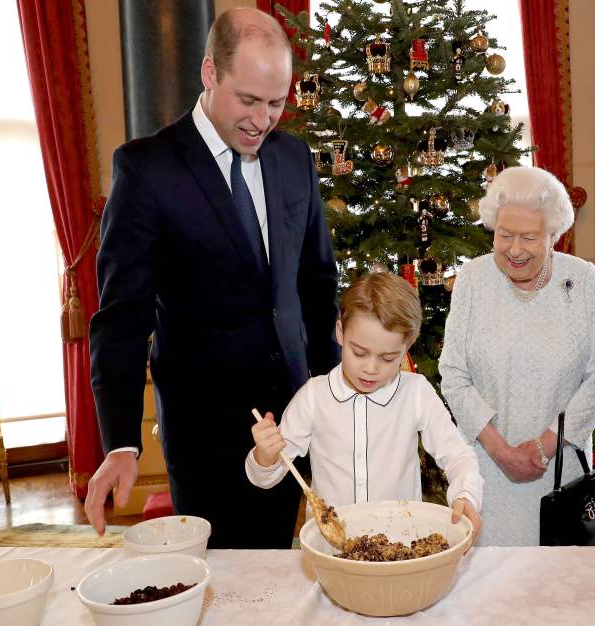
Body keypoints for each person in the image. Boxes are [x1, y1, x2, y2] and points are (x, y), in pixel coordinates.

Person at [85, 8, 340, 549]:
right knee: (222, 586)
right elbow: (121, 319)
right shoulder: (147, 170)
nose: (262, 119)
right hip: (207, 435)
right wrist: (121, 442)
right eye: (247, 100)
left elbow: (317, 284)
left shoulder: (294, 159)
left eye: (276, 103)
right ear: (209, 73)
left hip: (293, 417)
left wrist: (334, 392)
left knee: (279, 570)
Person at [438, 166, 595, 546]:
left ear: (554, 236)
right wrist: (501, 451)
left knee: (558, 588)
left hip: (559, 473)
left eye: (529, 237)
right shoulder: (472, 279)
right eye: (505, 235)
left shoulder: (581, 280)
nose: (515, 250)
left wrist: (542, 447)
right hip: (485, 469)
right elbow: (452, 374)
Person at [247, 272, 484, 539]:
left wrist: (465, 494)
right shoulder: (314, 397)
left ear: (407, 345)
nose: (370, 369)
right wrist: (265, 457)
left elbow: (459, 456)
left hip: (400, 544)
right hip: (332, 548)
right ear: (340, 332)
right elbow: (266, 477)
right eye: (359, 352)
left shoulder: (416, 393)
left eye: (387, 357)